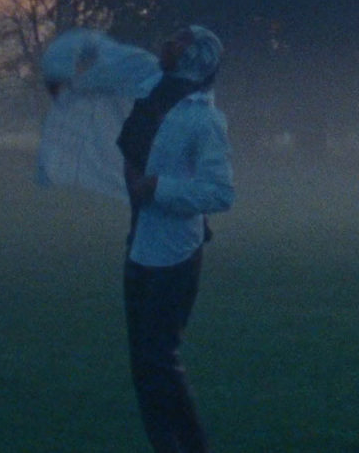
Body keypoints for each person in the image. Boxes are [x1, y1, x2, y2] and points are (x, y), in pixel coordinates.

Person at [116, 25, 234, 453]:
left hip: (176, 251)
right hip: (141, 240)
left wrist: (155, 189)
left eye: (181, 38)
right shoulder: (154, 94)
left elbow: (220, 193)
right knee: (143, 364)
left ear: (195, 57)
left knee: (158, 360)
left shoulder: (204, 119)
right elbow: (134, 149)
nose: (168, 40)